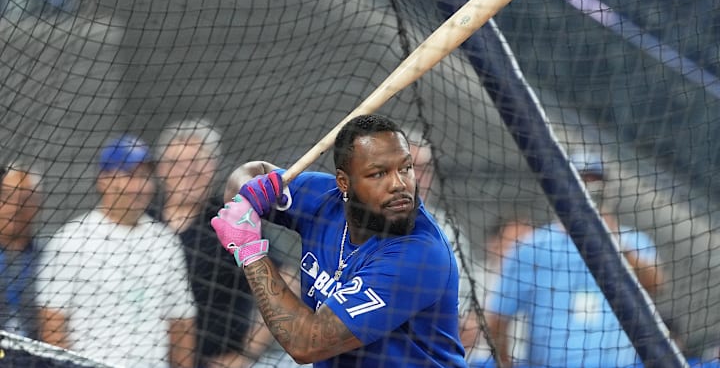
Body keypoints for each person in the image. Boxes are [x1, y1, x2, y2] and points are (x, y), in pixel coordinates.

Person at [211, 114, 468, 367]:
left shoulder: (419, 254)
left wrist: (251, 253)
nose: (399, 184)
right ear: (344, 183)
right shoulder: (323, 200)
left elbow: (306, 344)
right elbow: (246, 174)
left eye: (405, 168)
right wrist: (250, 193)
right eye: (378, 174)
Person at [485, 150, 665, 367]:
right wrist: (505, 363)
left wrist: (612, 241)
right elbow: (497, 317)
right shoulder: (535, 246)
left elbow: (655, 284)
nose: (589, 189)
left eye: (595, 182)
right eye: (581, 181)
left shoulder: (634, 241)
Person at [36, 134, 197, 368]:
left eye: (145, 177)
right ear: (104, 180)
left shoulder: (165, 241)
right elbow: (52, 324)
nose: (140, 186)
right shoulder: (70, 240)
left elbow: (181, 322)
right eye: (130, 176)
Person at [152, 119, 280, 368]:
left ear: (212, 167)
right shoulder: (145, 220)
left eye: (196, 163)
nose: (186, 173)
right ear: (161, 169)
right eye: (176, 163)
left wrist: (248, 352)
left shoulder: (232, 219)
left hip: (216, 361)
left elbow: (286, 281)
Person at [403, 126, 484, 353]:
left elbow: (466, 309)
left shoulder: (447, 229)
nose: (419, 178)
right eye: (410, 168)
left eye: (424, 169)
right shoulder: (365, 222)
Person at [0, 162, 42, 338]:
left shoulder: (48, 257)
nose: (15, 208)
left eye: (24, 199)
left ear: (37, 205)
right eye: (7, 196)